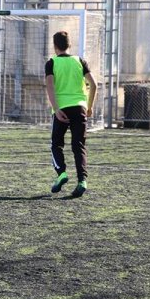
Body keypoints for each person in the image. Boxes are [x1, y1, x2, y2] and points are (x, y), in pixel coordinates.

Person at [45, 31, 97, 198]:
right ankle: (82, 181)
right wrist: (89, 107)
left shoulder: (51, 63)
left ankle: (61, 173)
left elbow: (50, 87)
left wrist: (56, 108)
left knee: (56, 144)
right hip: (79, 107)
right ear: (69, 45)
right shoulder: (80, 61)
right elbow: (94, 85)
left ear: (55, 46)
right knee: (78, 145)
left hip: (61, 108)